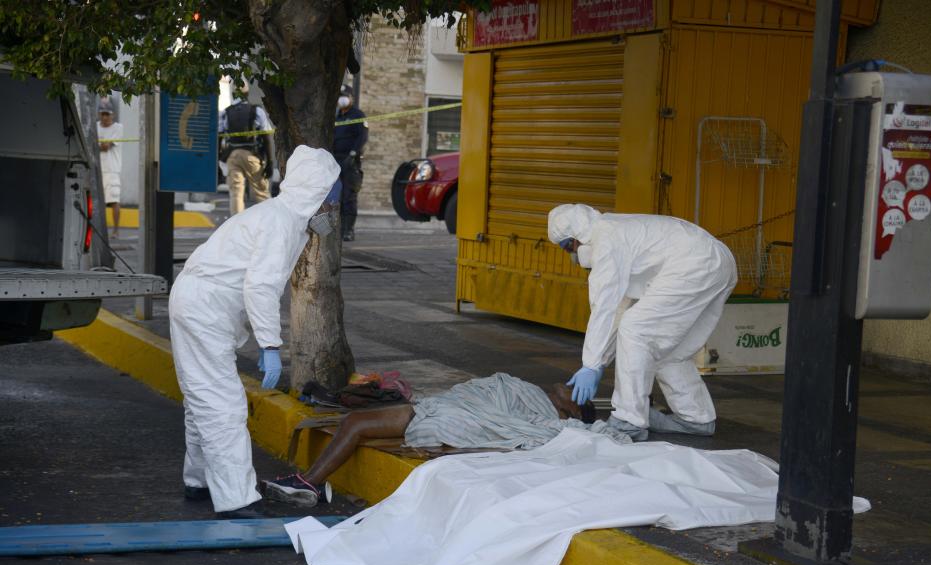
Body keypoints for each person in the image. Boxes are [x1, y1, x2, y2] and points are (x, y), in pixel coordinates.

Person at [169, 145, 340, 519]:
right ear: (317, 192)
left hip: (202, 304)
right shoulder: (281, 222)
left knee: (203, 396)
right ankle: (236, 499)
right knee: (221, 402)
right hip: (204, 308)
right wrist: (270, 345)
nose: (333, 206)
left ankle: (199, 481)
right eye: (331, 196)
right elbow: (261, 286)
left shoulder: (286, 219)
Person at [260, 373, 620, 507]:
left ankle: (307, 484)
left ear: (572, 413)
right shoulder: (533, 391)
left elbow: (507, 423)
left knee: (355, 422)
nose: (571, 385)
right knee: (356, 420)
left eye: (578, 393)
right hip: (446, 406)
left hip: (453, 417)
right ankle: (307, 482)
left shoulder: (544, 413)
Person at [548, 203, 738, 442]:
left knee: (635, 329)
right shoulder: (617, 230)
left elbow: (603, 307)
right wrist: (596, 363)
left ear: (577, 236)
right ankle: (695, 418)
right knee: (669, 351)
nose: (572, 256)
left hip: (695, 264)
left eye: (567, 247)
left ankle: (628, 420)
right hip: (716, 263)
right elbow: (618, 308)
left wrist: (591, 364)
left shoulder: (605, 239)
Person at [219, 86, 272, 215]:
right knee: (261, 192)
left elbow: (219, 137)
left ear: (232, 94)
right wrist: (270, 161)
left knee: (236, 193)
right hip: (252, 155)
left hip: (233, 155)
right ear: (247, 94)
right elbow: (266, 136)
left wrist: (219, 159)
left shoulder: (226, 112)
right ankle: (268, 222)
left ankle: (237, 226)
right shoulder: (256, 111)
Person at [333, 84, 368, 242]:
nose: (342, 99)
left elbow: (362, 137)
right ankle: (338, 229)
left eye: (345, 95)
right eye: (340, 95)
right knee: (336, 196)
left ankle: (348, 230)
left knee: (349, 196)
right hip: (336, 161)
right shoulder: (337, 116)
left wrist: (353, 154)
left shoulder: (357, 115)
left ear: (351, 97)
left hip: (350, 162)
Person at [96, 100, 123, 239]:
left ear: (112, 115)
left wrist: (97, 144)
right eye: (103, 114)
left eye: (108, 114)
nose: (105, 117)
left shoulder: (118, 128)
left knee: (114, 201)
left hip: (112, 170)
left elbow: (106, 146)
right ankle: (100, 229)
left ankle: (116, 230)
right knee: (97, 201)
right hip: (97, 167)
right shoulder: (95, 127)